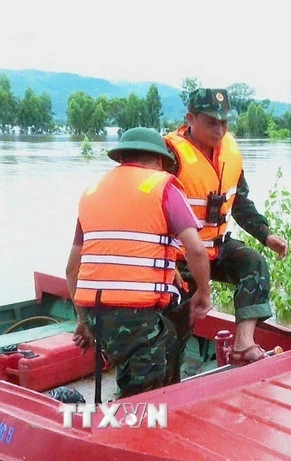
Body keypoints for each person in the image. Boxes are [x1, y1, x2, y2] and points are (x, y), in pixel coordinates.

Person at [66, 127, 212, 398]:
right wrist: (203, 293)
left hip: (92, 312)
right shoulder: (163, 188)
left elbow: (71, 270)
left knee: (163, 336)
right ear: (159, 161)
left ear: (122, 157)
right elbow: (196, 250)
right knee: (147, 391)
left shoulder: (92, 193)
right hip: (134, 315)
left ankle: (140, 393)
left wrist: (83, 321)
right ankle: (136, 421)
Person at [164, 88, 288, 371]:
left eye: (225, 122)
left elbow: (239, 201)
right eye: (211, 122)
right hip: (180, 258)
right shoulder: (169, 155)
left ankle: (243, 345)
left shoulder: (230, 153)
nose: (219, 129)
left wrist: (266, 235)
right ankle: (167, 384)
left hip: (216, 247)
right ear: (190, 118)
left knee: (253, 264)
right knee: (179, 325)